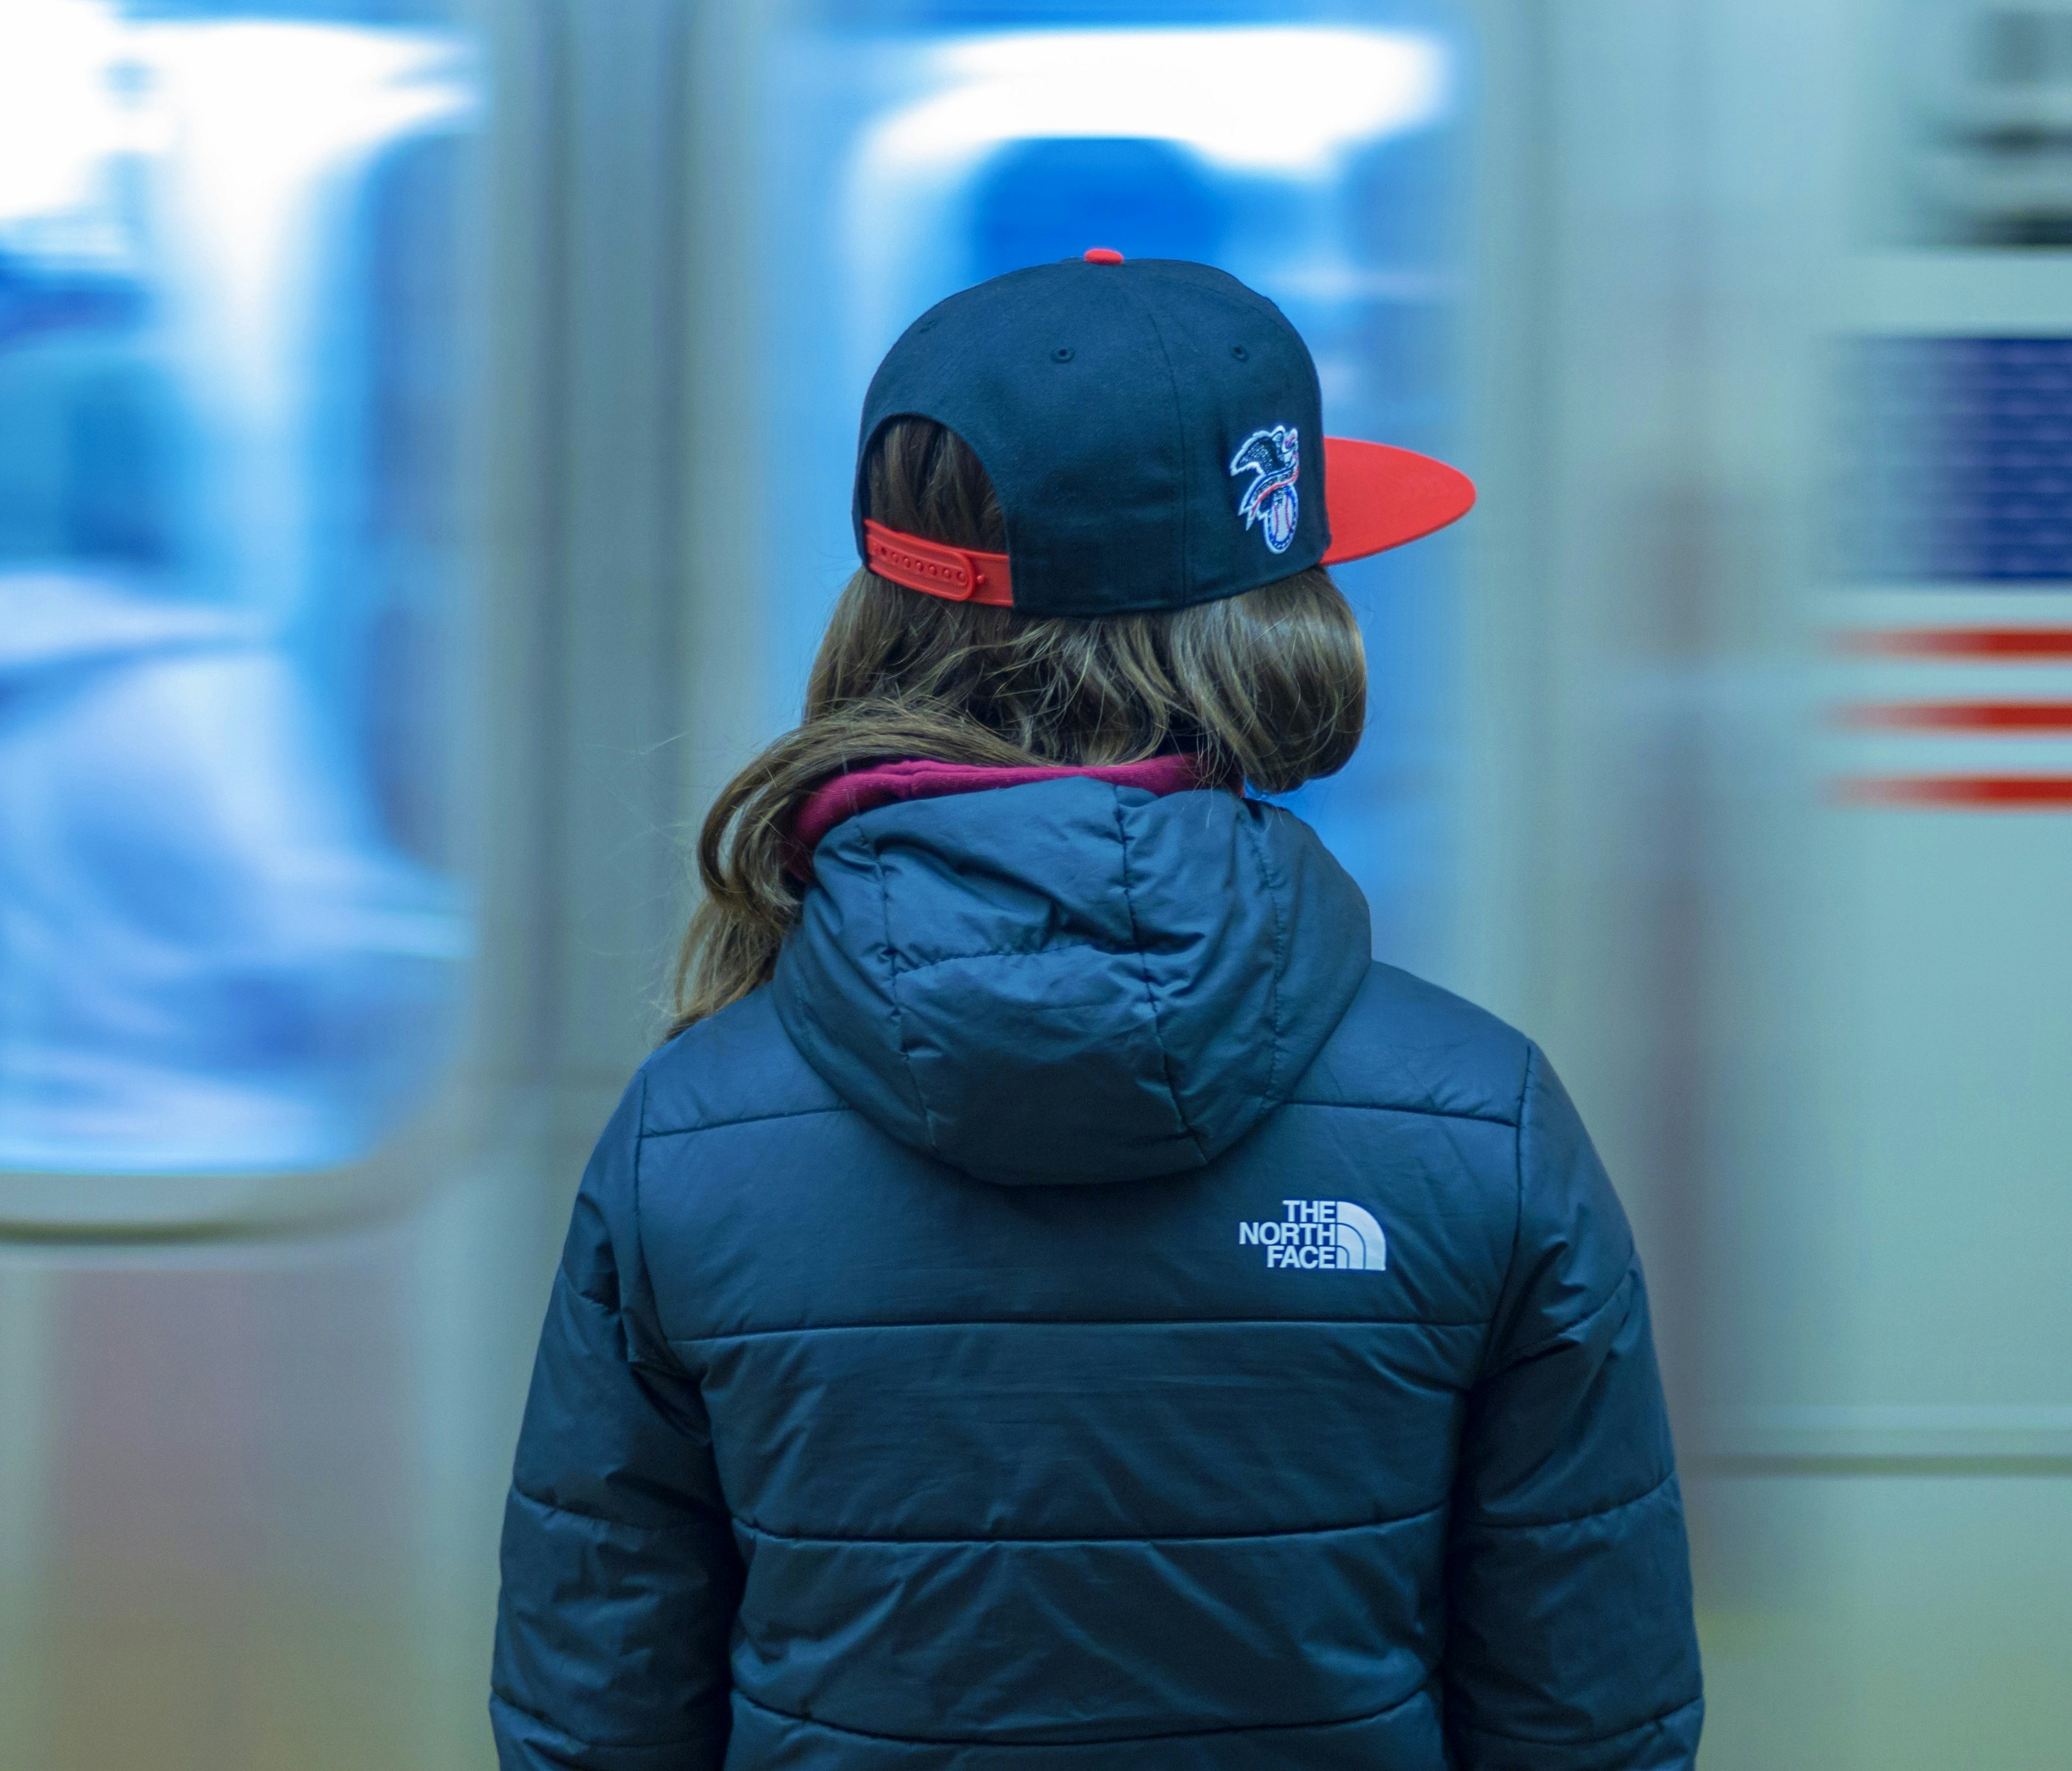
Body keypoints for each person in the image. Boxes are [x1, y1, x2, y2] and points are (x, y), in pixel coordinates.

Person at [491, 253, 1703, 1771]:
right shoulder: (1481, 1124)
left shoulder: (689, 1142)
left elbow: (594, 1717)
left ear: (887, 604)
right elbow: (1590, 1723)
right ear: (1276, 618)